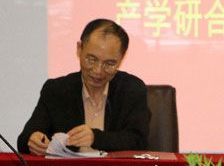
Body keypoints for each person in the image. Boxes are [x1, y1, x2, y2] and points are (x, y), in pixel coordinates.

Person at [17, 19, 149, 155]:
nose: (98, 70)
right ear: (79, 49)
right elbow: (24, 140)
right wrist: (33, 140)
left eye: (109, 63)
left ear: (121, 58)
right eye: (91, 59)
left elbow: (139, 142)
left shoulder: (132, 90)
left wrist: (96, 138)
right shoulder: (56, 90)